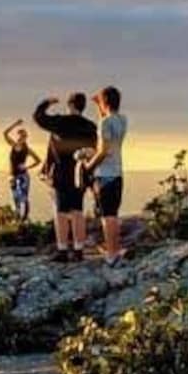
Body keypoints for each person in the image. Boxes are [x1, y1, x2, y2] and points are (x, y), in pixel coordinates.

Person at [34, 93, 97, 262]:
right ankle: (78, 250)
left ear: (70, 105)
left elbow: (38, 117)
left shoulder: (60, 122)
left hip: (60, 172)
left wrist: (46, 102)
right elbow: (93, 150)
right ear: (83, 106)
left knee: (61, 212)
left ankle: (62, 250)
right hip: (80, 172)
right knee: (78, 211)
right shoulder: (90, 126)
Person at [86, 86, 129, 263]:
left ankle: (111, 254)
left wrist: (89, 165)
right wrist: (99, 107)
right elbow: (108, 127)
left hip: (105, 173)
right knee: (114, 214)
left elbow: (103, 150)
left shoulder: (105, 123)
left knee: (107, 216)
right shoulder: (122, 120)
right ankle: (116, 249)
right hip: (118, 172)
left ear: (105, 102)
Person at [1, 120, 42, 220]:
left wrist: (27, 167)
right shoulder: (14, 145)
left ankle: (24, 217)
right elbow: (5, 133)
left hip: (23, 176)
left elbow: (38, 160)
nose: (20, 138)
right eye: (19, 136)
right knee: (15, 198)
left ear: (25, 137)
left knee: (23, 197)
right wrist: (15, 124)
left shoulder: (27, 149)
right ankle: (18, 218)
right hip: (13, 176)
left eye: (22, 136)